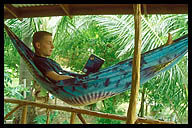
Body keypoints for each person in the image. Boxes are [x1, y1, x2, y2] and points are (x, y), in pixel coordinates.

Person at [32, 31, 173, 82]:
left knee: (121, 69)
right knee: (123, 69)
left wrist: (81, 76)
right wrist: (78, 78)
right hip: (81, 83)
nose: (53, 46)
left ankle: (162, 54)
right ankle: (163, 54)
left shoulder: (46, 61)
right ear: (38, 45)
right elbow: (56, 77)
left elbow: (60, 74)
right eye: (49, 43)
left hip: (82, 80)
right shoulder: (39, 61)